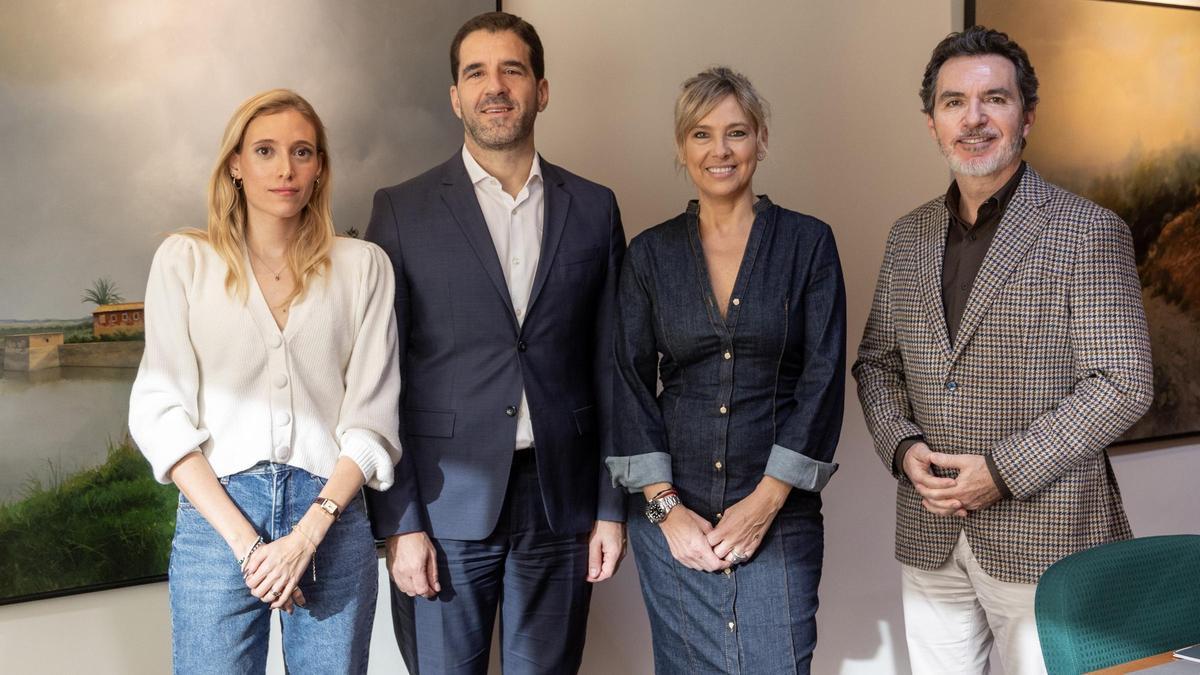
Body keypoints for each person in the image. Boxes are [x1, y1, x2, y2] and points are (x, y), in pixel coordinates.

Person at [853, 26, 1154, 675]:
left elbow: (1124, 380)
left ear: (1027, 115)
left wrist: (1002, 470)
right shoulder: (908, 237)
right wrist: (904, 451)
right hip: (930, 534)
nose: (975, 117)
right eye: (954, 101)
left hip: (1046, 537)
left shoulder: (1088, 231)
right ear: (932, 122)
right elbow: (876, 362)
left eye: (995, 98)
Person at [364, 11, 626, 674]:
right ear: (455, 96)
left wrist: (609, 505)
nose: (495, 86)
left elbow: (612, 367)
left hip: (560, 502)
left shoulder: (594, 207)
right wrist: (399, 522)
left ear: (542, 88)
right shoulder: (402, 210)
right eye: (476, 72)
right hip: (442, 505)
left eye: (512, 69)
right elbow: (376, 375)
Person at [128, 88, 401, 673]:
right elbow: (159, 412)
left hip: (329, 511)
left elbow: (373, 416)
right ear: (235, 164)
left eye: (302, 152)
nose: (285, 169)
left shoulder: (364, 266)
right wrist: (249, 546)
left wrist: (305, 536)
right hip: (217, 517)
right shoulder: (184, 262)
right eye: (265, 151)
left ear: (320, 167)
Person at [608, 66, 846, 675]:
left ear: (760, 140)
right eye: (702, 134)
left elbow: (822, 379)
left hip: (780, 516)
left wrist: (765, 502)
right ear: (682, 147)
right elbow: (629, 383)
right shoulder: (650, 255)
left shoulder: (808, 244)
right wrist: (667, 512)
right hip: (675, 524)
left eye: (736, 133)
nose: (720, 151)